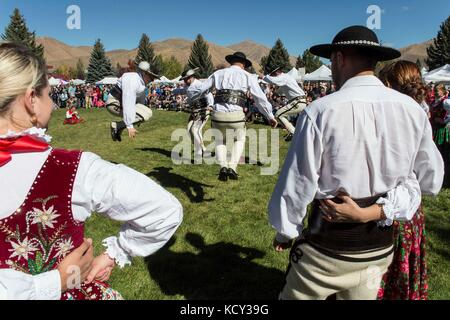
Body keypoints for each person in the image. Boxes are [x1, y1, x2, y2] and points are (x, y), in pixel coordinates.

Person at [268, 26, 444, 300]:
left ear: (339, 58)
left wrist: (285, 232)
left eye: (331, 62)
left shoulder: (320, 111)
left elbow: (298, 183)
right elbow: (431, 180)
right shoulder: (412, 109)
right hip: (379, 249)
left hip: (329, 248)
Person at [0, 43, 183, 300]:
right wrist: (114, 252)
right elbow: (165, 211)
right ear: (31, 100)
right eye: (49, 95)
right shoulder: (76, 170)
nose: (52, 105)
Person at [323, 61, 433, 300]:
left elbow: (416, 181)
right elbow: (431, 179)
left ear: (386, 84)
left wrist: (369, 213)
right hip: (404, 212)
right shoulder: (416, 111)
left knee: (376, 277)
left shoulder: (404, 113)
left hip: (394, 214)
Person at [195, 52, 277, 181]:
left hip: (217, 115)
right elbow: (260, 98)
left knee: (219, 140)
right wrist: (270, 116)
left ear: (231, 61)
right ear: (243, 64)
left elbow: (200, 90)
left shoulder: (217, 73)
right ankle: (232, 167)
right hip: (236, 116)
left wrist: (198, 101)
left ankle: (222, 166)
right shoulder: (248, 76)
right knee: (240, 139)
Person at [106, 61, 157, 141]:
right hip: (114, 103)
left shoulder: (141, 83)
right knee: (145, 115)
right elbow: (128, 101)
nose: (153, 79)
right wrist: (130, 126)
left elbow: (140, 102)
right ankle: (117, 126)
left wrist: (139, 118)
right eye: (151, 77)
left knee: (148, 113)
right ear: (144, 73)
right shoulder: (132, 79)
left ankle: (118, 127)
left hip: (120, 103)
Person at [178, 68, 214, 162]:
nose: (185, 81)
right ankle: (201, 150)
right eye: (184, 79)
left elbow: (208, 94)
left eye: (186, 79)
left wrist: (210, 105)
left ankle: (203, 151)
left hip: (203, 109)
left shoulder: (199, 84)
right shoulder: (188, 85)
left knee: (195, 130)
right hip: (194, 110)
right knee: (190, 129)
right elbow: (183, 91)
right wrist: (175, 91)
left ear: (191, 77)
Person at [261, 67, 307, 141]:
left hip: (298, 101)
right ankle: (295, 133)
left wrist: (263, 77)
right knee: (282, 115)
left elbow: (273, 81)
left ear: (276, 73)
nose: (272, 76)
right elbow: (279, 91)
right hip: (299, 101)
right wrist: (274, 95)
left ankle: (293, 133)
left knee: (278, 114)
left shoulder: (283, 77)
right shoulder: (286, 78)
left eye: (272, 75)